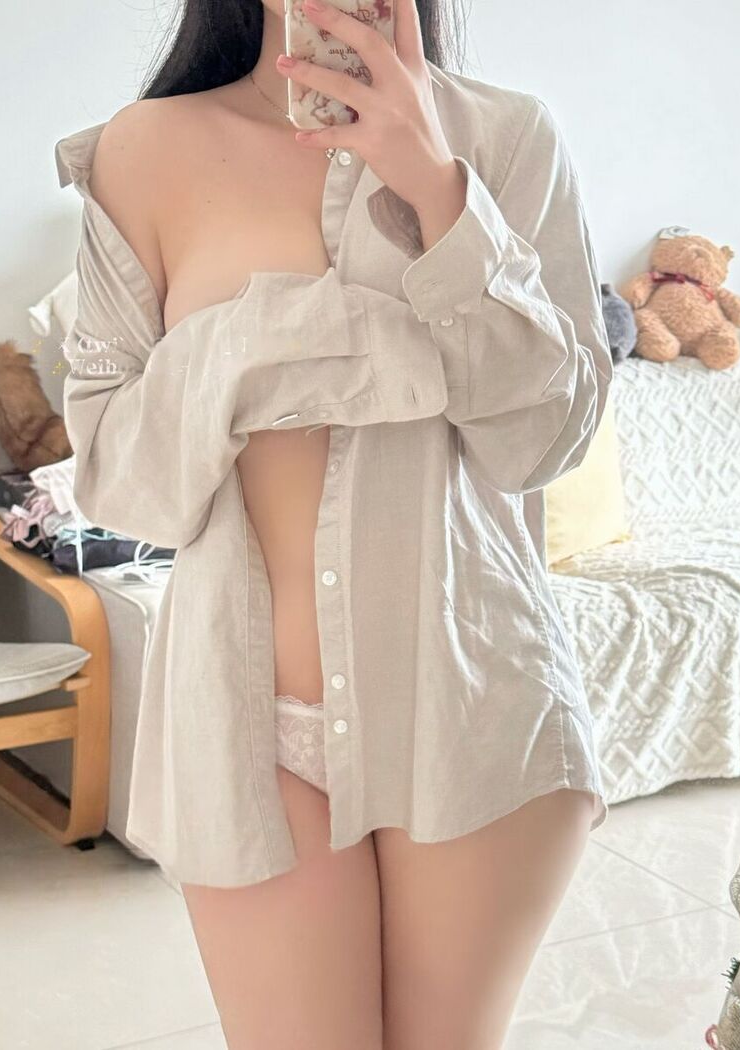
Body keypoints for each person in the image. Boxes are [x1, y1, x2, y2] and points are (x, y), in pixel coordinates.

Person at [56, 0, 613, 1046]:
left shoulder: (507, 136)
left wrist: (439, 192)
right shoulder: (145, 149)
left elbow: (541, 443)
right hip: (242, 725)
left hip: (471, 698)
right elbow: (123, 486)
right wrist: (245, 350)